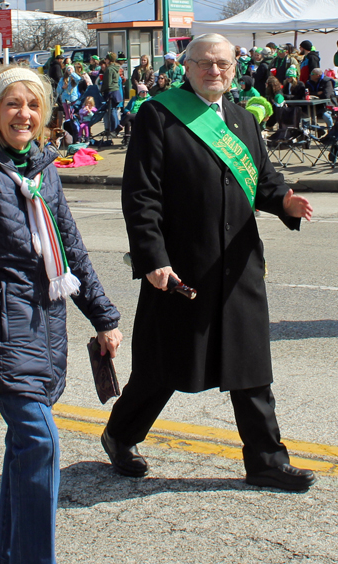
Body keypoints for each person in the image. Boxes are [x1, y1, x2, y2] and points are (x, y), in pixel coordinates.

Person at [101, 33, 317, 493]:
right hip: (181, 269)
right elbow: (141, 197)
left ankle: (266, 460)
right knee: (163, 367)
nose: (213, 70)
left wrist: (286, 203)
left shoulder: (241, 119)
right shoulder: (158, 115)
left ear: (234, 68)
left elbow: (264, 182)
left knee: (251, 366)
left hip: (238, 268)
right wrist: (153, 258)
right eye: (204, 63)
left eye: (222, 64)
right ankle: (120, 435)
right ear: (188, 66)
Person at [0, 65, 123, 564]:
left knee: (25, 447)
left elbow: (72, 250)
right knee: (40, 442)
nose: (24, 114)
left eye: (34, 105)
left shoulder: (42, 168)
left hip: (47, 324)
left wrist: (104, 317)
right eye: (13, 103)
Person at [100, 52, 121, 134]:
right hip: (116, 91)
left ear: (109, 59)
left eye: (106, 59)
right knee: (114, 111)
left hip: (110, 92)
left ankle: (114, 129)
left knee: (112, 111)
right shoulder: (116, 67)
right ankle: (116, 129)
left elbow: (108, 83)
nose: (105, 60)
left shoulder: (109, 69)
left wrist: (102, 90)